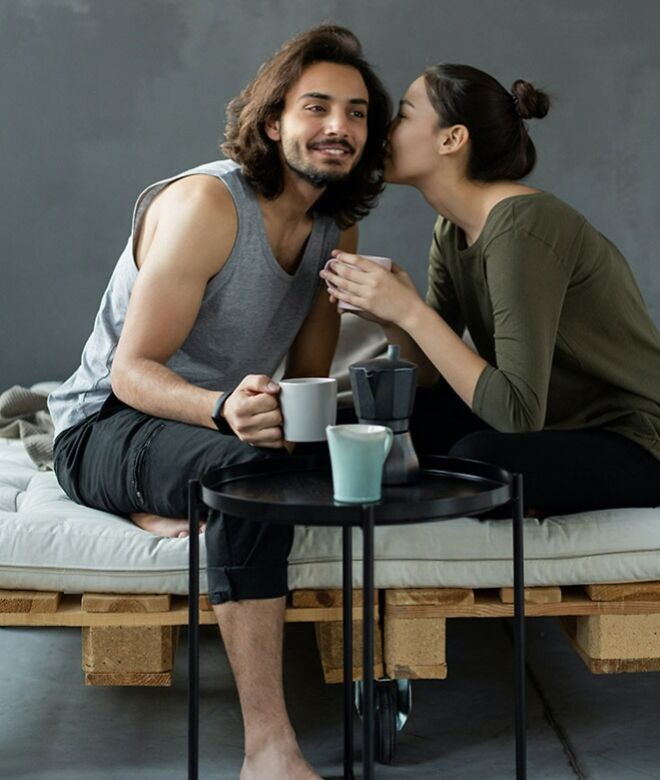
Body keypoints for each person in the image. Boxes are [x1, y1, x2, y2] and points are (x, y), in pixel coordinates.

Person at [48, 25, 391, 780]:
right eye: (318, 107)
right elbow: (132, 372)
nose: (340, 128)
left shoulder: (339, 223)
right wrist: (221, 411)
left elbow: (307, 375)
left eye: (358, 112)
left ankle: (186, 502)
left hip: (210, 428)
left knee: (330, 457)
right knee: (246, 474)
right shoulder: (208, 202)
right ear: (275, 122)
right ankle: (268, 748)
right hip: (104, 424)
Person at [322, 63, 660, 514]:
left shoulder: (521, 228)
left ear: (451, 139)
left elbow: (517, 414)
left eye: (404, 115)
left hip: (646, 445)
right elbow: (433, 376)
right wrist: (390, 317)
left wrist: (410, 311)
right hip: (557, 427)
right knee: (368, 430)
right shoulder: (451, 229)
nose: (386, 130)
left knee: (481, 462)